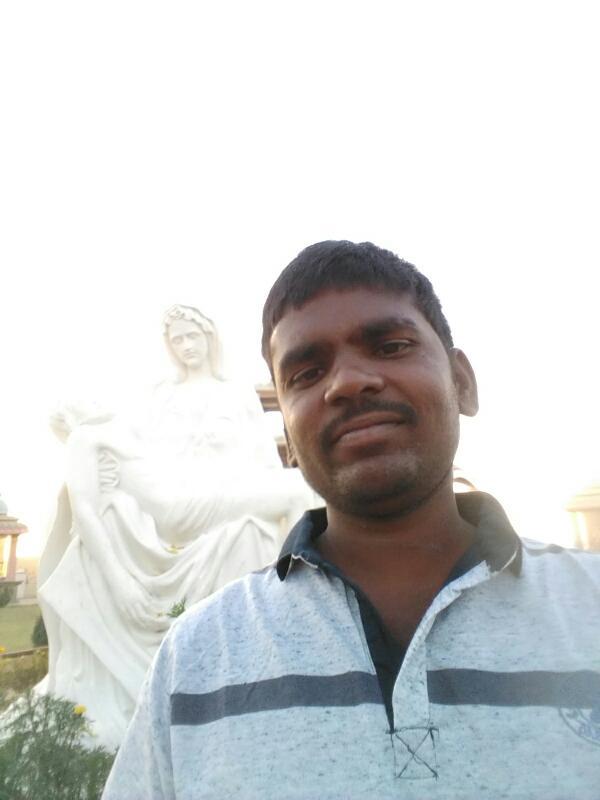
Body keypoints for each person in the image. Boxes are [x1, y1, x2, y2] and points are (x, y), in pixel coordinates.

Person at [103, 244, 600, 799]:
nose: (347, 382)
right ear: (288, 438)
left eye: (391, 347)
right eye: (307, 372)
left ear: (462, 381)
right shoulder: (192, 658)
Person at [38, 304, 310, 748]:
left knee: (294, 493)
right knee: (298, 491)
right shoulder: (147, 404)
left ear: (209, 338)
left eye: (191, 336)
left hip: (224, 490)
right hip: (183, 503)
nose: (185, 347)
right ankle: (298, 604)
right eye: (177, 340)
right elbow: (120, 475)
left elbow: (262, 458)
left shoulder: (235, 394)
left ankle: (294, 606)